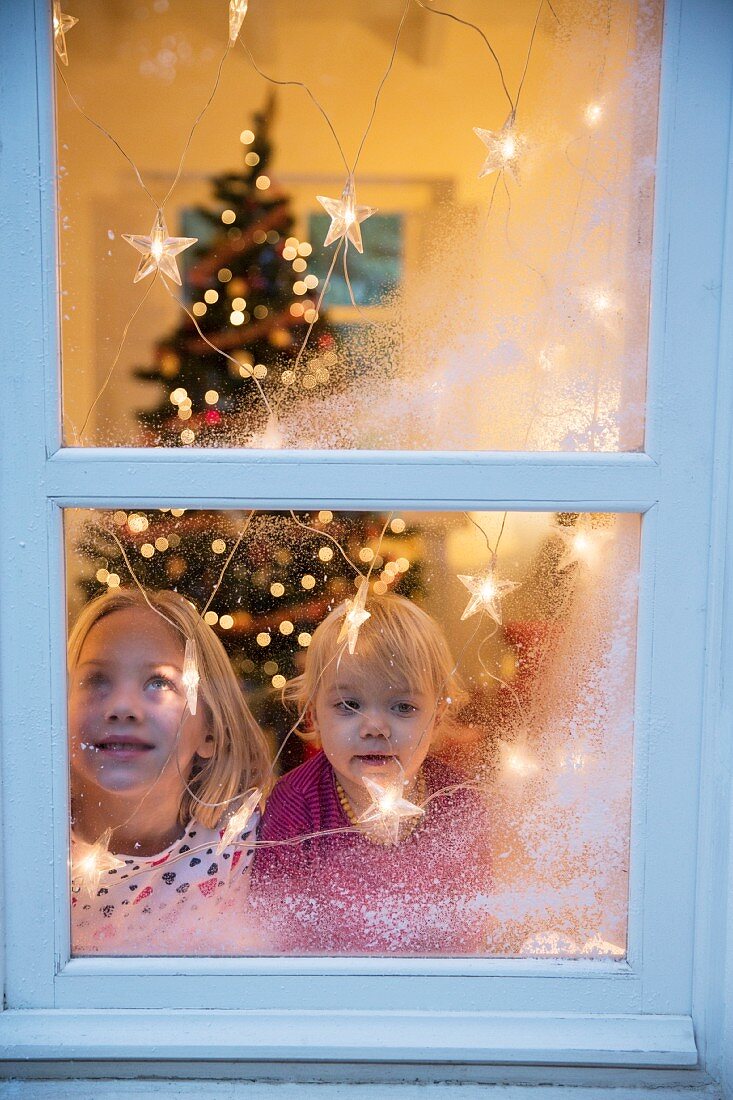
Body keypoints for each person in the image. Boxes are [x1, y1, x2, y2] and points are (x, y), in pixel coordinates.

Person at [250, 592, 493, 955]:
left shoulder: (457, 800)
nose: (375, 727)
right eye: (349, 705)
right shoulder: (297, 802)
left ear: (437, 715)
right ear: (313, 713)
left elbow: (475, 927)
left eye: (403, 706)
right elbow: (272, 927)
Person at [68, 587, 271, 955]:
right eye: (97, 680)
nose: (122, 708)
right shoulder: (26, 847)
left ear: (209, 732)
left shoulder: (239, 846)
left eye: (159, 682)